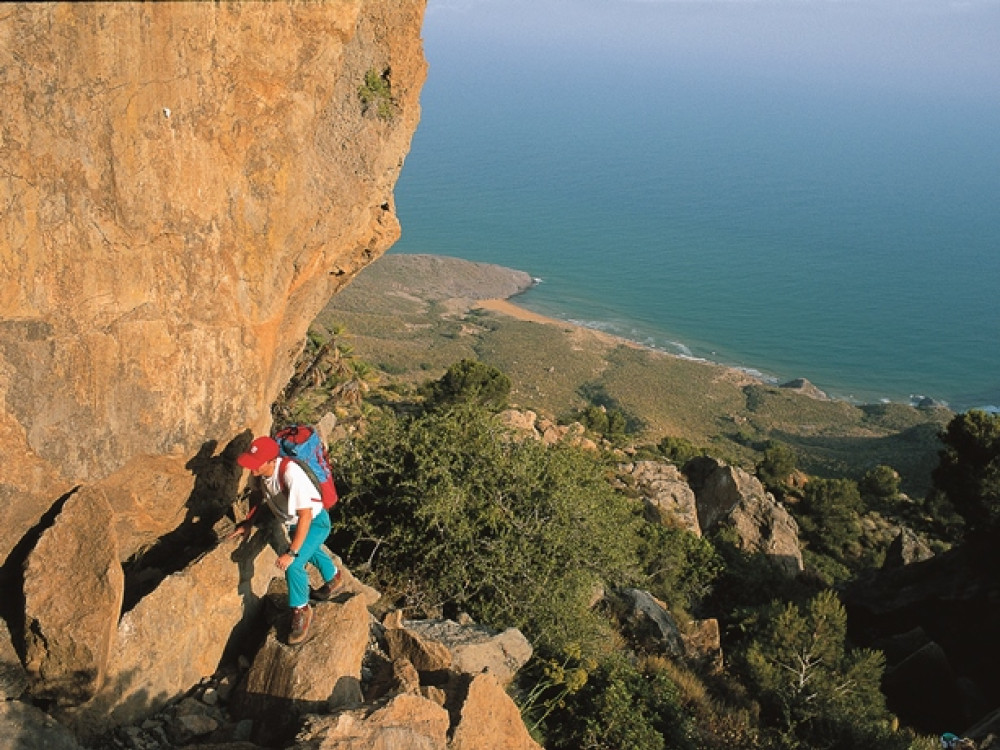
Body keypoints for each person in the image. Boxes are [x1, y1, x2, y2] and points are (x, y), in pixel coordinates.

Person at [235, 435, 343, 645]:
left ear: (271, 461)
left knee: (294, 564)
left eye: (255, 464)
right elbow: (258, 495)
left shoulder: (291, 474)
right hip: (295, 523)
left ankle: (301, 610)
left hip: (315, 522)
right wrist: (249, 522)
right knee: (309, 552)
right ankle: (334, 577)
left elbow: (305, 516)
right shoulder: (259, 475)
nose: (251, 468)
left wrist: (291, 553)